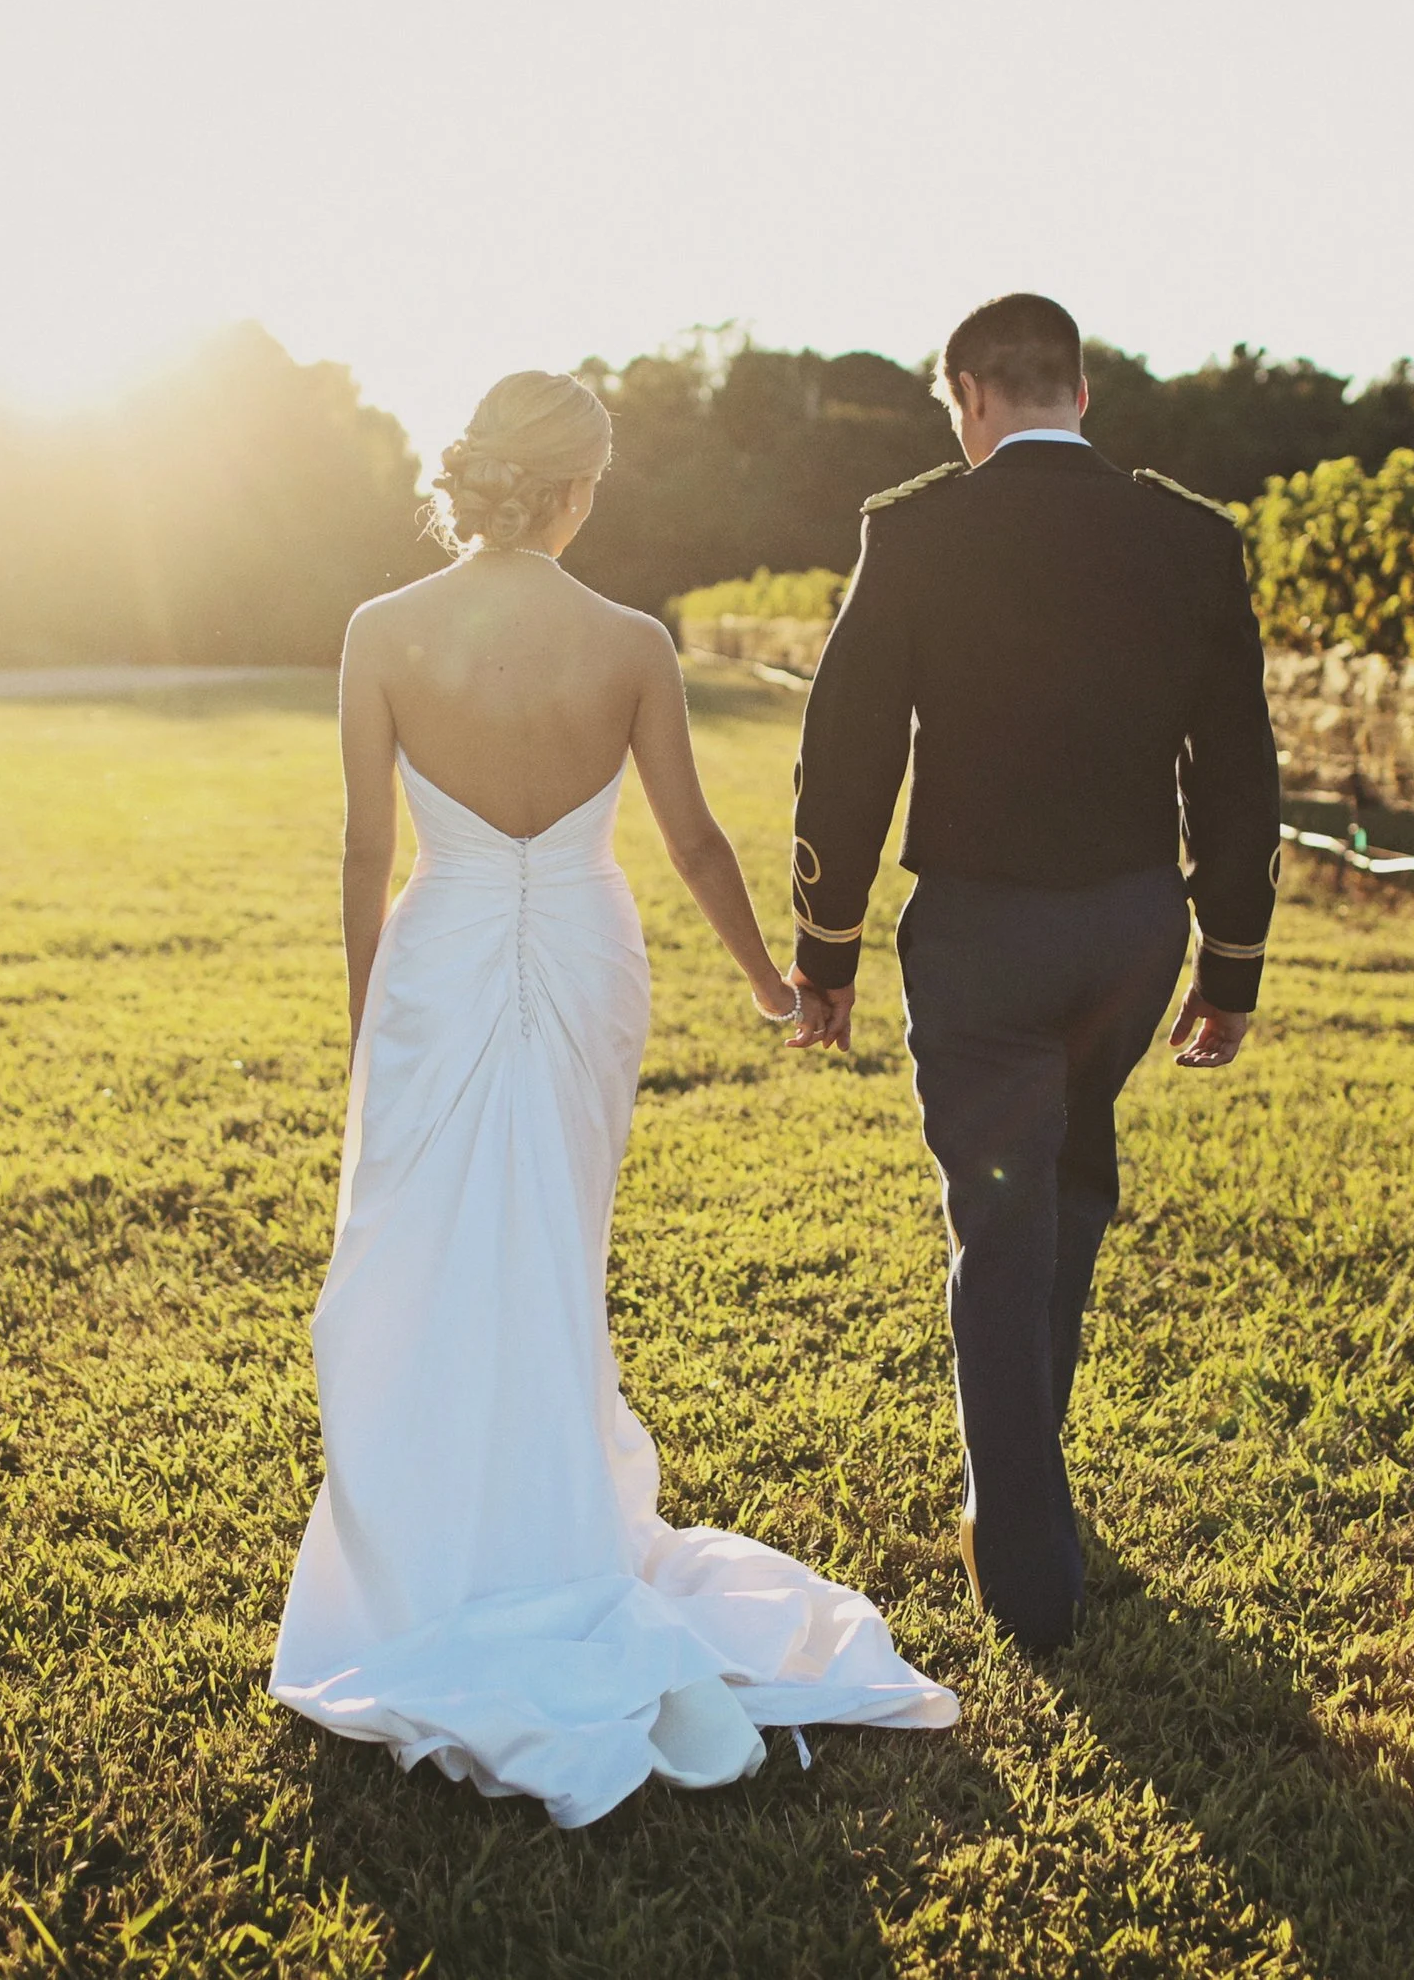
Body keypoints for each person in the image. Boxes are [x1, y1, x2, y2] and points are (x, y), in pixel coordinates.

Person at [269, 370, 955, 1830]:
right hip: (584, 954)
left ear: (473, 483)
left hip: (441, 958)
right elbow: (694, 837)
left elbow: (361, 849)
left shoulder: (381, 632)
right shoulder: (629, 641)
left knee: (434, 1249)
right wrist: (776, 983)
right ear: (576, 488)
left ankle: (444, 1536)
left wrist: (364, 1018)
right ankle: (552, 1522)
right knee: (555, 1247)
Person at [787, 294, 1281, 1651]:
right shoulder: (1190, 535)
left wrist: (823, 952)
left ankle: (1024, 1554)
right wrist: (1230, 958)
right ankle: (1032, 1479)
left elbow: (847, 750)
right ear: (1083, 391)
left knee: (1000, 1224)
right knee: (1066, 1185)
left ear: (969, 394)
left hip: (983, 938)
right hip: (1131, 930)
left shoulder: (917, 529)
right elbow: (1239, 763)